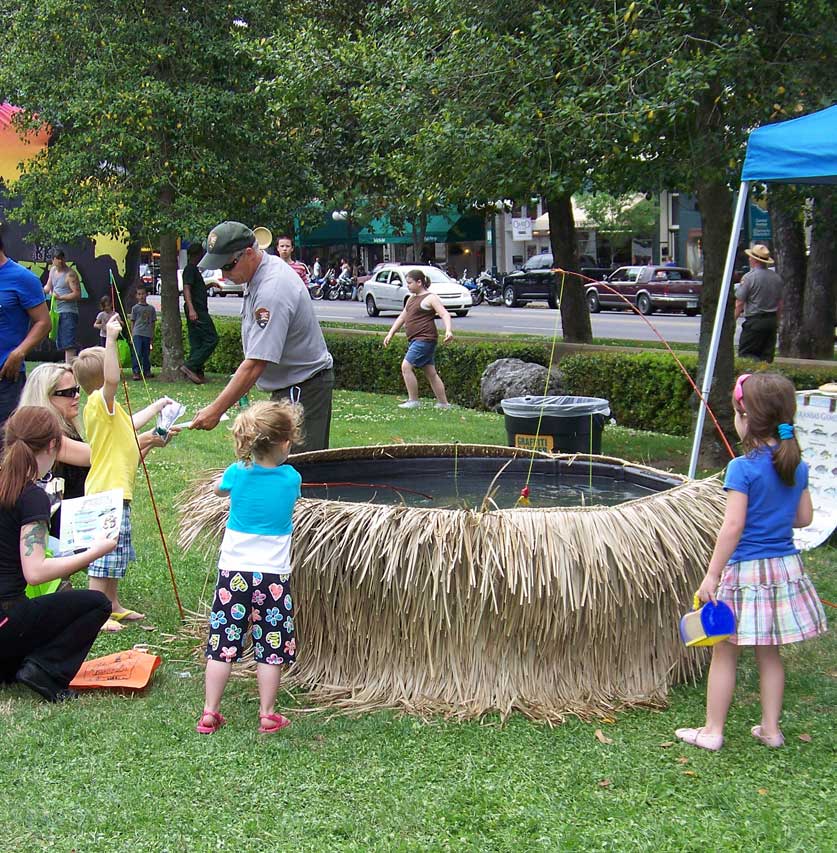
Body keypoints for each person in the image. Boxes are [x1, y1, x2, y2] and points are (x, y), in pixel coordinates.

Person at [675, 373, 827, 752]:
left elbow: (733, 526)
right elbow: (804, 518)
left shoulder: (742, 468)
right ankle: (771, 730)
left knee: (725, 650)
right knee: (769, 651)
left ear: (744, 417)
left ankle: (712, 731)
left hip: (745, 572)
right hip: (783, 569)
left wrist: (711, 575)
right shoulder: (797, 465)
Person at [196, 400, 302, 735]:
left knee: (223, 643)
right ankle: (268, 713)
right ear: (285, 442)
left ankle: (210, 712)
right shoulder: (291, 478)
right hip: (272, 577)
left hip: (234, 574)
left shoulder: (235, 473)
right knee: (270, 647)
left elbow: (219, 489)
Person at [0, 406, 115, 702]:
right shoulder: (30, 496)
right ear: (54, 445)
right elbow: (35, 571)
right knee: (96, 604)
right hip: (7, 615)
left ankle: (17, 664)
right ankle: (46, 670)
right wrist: (94, 552)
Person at [190, 222, 334, 452]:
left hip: (304, 388)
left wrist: (216, 410)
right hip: (289, 386)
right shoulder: (258, 275)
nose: (224, 275)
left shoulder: (272, 289)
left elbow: (257, 362)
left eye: (228, 266)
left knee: (300, 470)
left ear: (248, 253)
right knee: (274, 466)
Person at [73, 314, 171, 627]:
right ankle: (95, 610)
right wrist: (111, 340)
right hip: (106, 493)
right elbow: (112, 380)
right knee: (103, 556)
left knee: (115, 553)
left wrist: (156, 409)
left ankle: (111, 603)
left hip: (117, 493)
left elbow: (130, 425)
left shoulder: (111, 412)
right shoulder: (97, 403)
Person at [0, 231, 51, 435]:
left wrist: (20, 352)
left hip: (6, 376)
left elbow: (43, 322)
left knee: (7, 442)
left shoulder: (22, 278)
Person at [383, 269, 453, 410]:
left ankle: (413, 401)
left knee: (406, 366)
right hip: (415, 340)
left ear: (419, 282)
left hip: (425, 339)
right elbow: (402, 317)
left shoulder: (430, 298)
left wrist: (448, 330)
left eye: (409, 283)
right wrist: (390, 333)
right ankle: (443, 404)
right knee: (431, 373)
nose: (407, 285)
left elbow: (445, 314)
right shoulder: (411, 299)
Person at [735, 244, 783, 363]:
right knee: (766, 357)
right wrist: (777, 321)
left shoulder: (749, 278)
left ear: (755, 260)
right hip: (771, 321)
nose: (749, 259)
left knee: (747, 354)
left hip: (755, 321)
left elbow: (740, 302)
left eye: (750, 257)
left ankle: (750, 379)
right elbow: (781, 303)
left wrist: (733, 320)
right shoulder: (776, 278)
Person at [180, 244, 218, 385]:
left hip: (198, 308)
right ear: (197, 255)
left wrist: (210, 285)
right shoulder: (190, 269)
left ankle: (196, 370)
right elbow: (187, 289)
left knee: (197, 340)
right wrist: (191, 309)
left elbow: (196, 288)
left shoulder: (194, 270)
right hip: (197, 310)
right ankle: (190, 365)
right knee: (212, 338)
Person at [44, 254, 81, 363]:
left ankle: (70, 368)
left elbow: (77, 294)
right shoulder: (52, 270)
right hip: (56, 312)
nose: (60, 261)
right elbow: (48, 287)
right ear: (53, 260)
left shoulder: (70, 274)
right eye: (57, 258)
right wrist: (39, 291)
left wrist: (61, 298)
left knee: (68, 343)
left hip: (69, 312)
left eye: (62, 258)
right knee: (59, 341)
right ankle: (66, 365)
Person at [130, 284, 156, 380]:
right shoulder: (135, 308)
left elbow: (153, 322)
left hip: (147, 333)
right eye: (139, 294)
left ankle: (147, 371)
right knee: (137, 353)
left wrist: (152, 334)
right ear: (137, 296)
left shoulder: (151, 309)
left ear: (146, 294)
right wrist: (132, 334)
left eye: (143, 294)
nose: (141, 296)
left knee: (146, 353)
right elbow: (132, 321)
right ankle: (136, 372)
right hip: (137, 333)